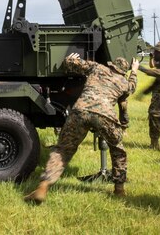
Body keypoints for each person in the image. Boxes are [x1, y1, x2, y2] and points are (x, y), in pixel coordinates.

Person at [24, 53, 140, 204]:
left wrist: (72, 58)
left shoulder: (97, 68)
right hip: (105, 116)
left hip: (80, 111)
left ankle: (43, 187)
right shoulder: (124, 82)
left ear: (111, 65)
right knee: (118, 151)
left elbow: (71, 63)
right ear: (123, 72)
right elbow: (132, 88)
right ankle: (119, 190)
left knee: (63, 150)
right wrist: (135, 71)